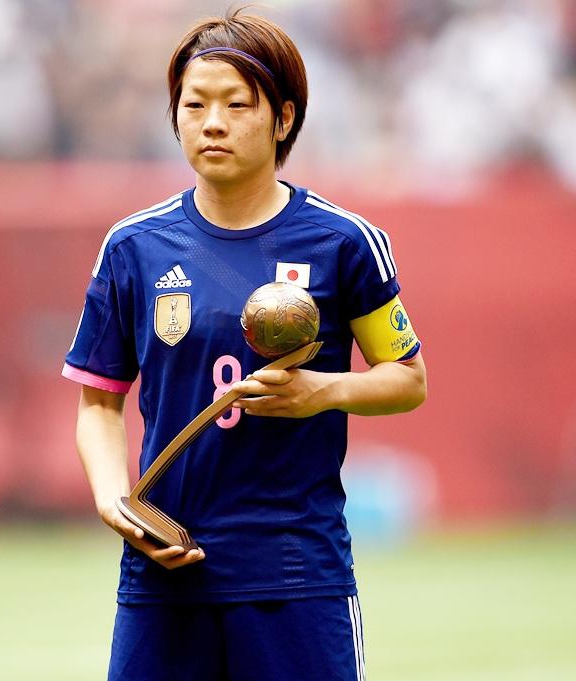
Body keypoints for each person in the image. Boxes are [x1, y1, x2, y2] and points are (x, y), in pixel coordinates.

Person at [62, 9, 426, 681]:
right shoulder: (133, 247)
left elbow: (408, 378)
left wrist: (323, 390)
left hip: (296, 571)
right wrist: (117, 501)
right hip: (166, 568)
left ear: (284, 118)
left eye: (237, 104)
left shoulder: (344, 242)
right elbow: (98, 404)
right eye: (194, 105)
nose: (212, 123)